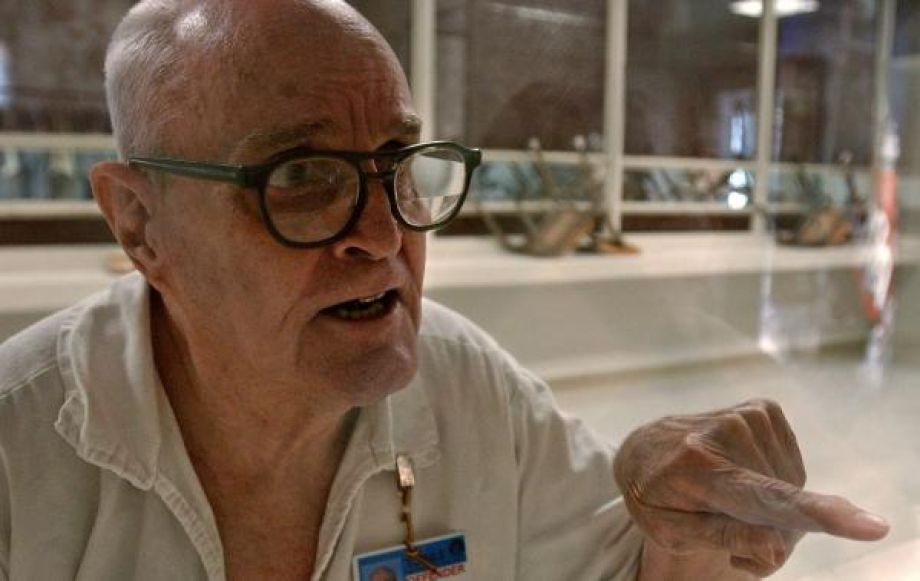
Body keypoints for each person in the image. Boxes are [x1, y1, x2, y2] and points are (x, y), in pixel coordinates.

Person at [0, 1, 889, 580]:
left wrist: (679, 519)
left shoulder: (469, 390)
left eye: (397, 165)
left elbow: (626, 566)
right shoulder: (20, 455)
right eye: (301, 175)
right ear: (140, 225)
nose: (386, 235)